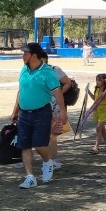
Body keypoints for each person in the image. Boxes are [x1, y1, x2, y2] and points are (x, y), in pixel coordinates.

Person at [10, 42, 67, 189]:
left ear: (33, 55)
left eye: (25, 53)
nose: (23, 56)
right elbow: (21, 91)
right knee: (25, 145)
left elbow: (57, 93)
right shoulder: (23, 70)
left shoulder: (47, 72)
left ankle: (47, 161)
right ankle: (30, 177)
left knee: (39, 145)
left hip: (42, 113)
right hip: (24, 114)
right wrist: (15, 111)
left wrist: (63, 112)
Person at [46, 59, 73, 169]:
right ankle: (48, 158)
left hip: (54, 105)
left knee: (53, 133)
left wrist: (58, 94)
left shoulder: (54, 69)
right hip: (39, 104)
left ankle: (52, 159)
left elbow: (68, 82)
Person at [89, 73, 106, 154]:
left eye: (100, 80)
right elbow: (94, 99)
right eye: (96, 80)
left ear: (104, 81)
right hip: (97, 110)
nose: (97, 82)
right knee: (102, 129)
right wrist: (88, 91)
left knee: (98, 128)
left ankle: (96, 147)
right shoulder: (97, 89)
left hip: (104, 110)